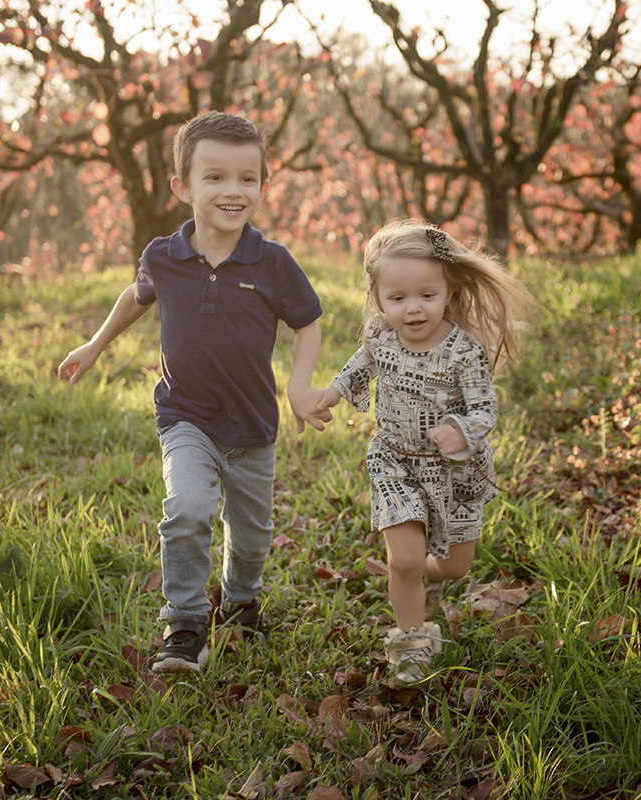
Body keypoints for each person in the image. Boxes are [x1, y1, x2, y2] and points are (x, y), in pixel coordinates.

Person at [58, 112, 331, 673]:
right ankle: (183, 623)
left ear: (262, 184)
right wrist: (96, 344)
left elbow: (308, 324)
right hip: (185, 416)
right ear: (183, 186)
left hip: (253, 424)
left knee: (252, 537)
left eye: (247, 178)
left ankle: (240, 598)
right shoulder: (164, 256)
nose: (233, 191)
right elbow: (138, 296)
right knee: (186, 509)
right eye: (215, 177)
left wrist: (299, 385)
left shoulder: (272, 261)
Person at [315, 218, 532, 685]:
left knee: (454, 566)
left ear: (448, 291)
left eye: (426, 296)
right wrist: (334, 392)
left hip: (454, 471)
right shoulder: (380, 335)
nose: (413, 309)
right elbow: (361, 364)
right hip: (393, 461)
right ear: (379, 298)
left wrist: (462, 429)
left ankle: (429, 578)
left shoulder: (463, 351)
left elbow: (484, 406)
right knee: (405, 560)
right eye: (397, 299)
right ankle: (412, 641)